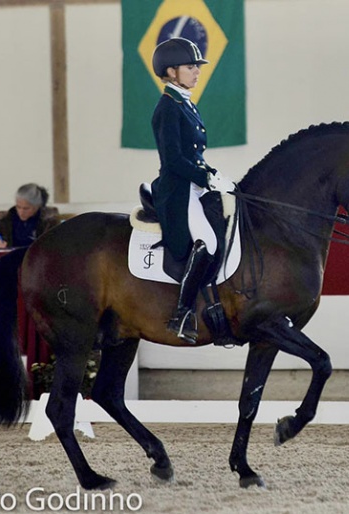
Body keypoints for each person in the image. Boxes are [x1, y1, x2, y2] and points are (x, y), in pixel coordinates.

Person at [150, 37, 219, 344]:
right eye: (190, 67)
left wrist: (212, 175)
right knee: (207, 241)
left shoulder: (185, 103)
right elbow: (174, 159)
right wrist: (205, 179)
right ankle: (183, 313)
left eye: (196, 66)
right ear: (171, 71)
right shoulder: (168, 107)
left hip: (193, 184)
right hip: (178, 189)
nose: (197, 71)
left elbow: (195, 156)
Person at [0, 183, 60, 249]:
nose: (21, 212)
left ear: (37, 206)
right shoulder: (5, 220)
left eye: (26, 208)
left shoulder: (48, 222)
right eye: (18, 207)